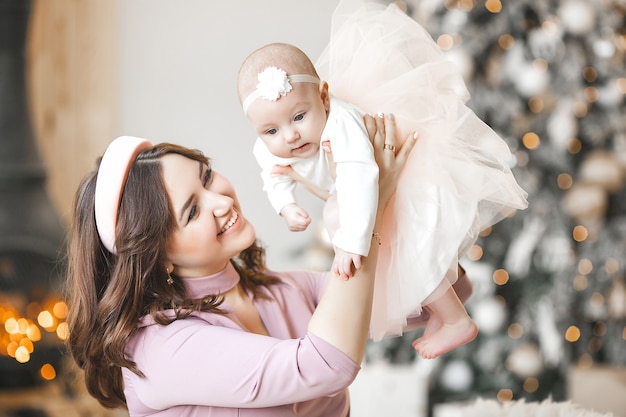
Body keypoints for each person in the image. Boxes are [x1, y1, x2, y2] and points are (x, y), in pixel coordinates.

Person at [65, 115, 466, 415]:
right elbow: (326, 365)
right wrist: (367, 210)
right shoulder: (161, 346)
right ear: (156, 254)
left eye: (206, 178)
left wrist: (366, 193)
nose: (221, 202)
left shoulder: (281, 289)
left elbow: (442, 293)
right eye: (192, 211)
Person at [237, 0, 528, 357]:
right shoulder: (267, 146)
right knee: (401, 251)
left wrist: (351, 244)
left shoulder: (341, 125)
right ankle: (444, 308)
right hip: (357, 196)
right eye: (271, 130)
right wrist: (286, 205)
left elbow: (361, 181)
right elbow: (273, 175)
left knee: (410, 249)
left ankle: (455, 319)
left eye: (299, 117)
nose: (289, 136)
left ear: (324, 98)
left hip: (395, 181)